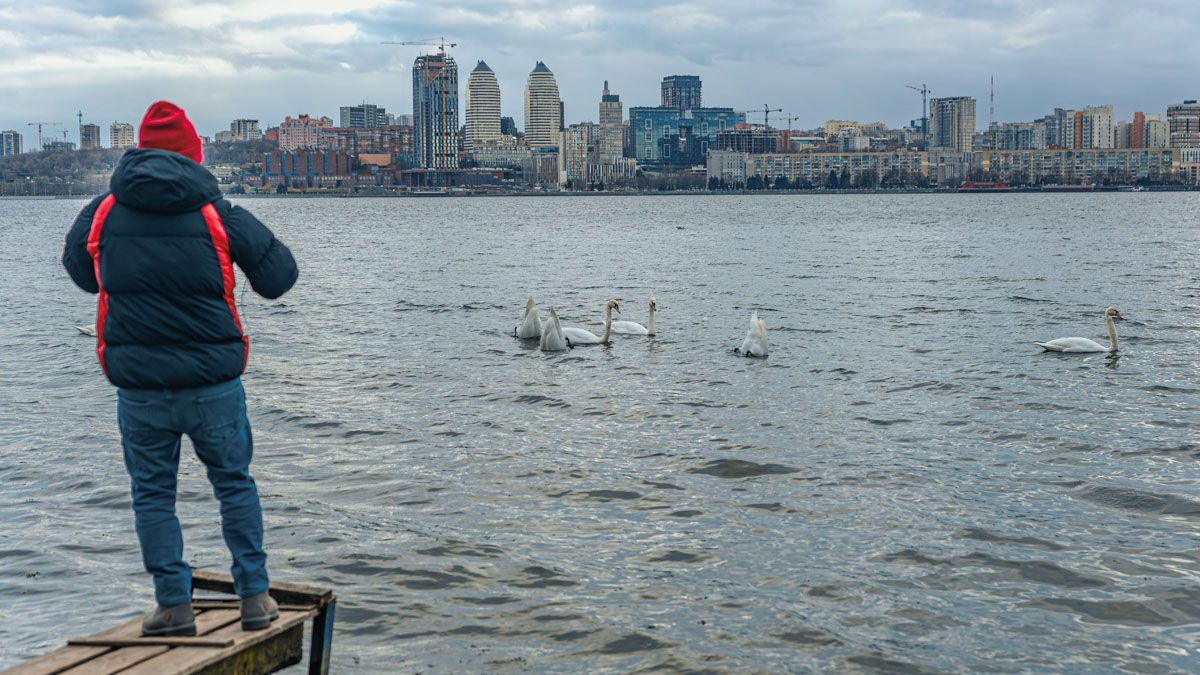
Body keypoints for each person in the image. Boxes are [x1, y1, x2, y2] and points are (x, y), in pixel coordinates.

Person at [62, 101, 299, 636]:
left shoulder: (102, 211)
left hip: (141, 386)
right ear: (194, 156)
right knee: (234, 483)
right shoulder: (216, 211)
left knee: (152, 492)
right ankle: (256, 598)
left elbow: (82, 274)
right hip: (213, 382)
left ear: (138, 152)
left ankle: (173, 606)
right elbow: (281, 276)